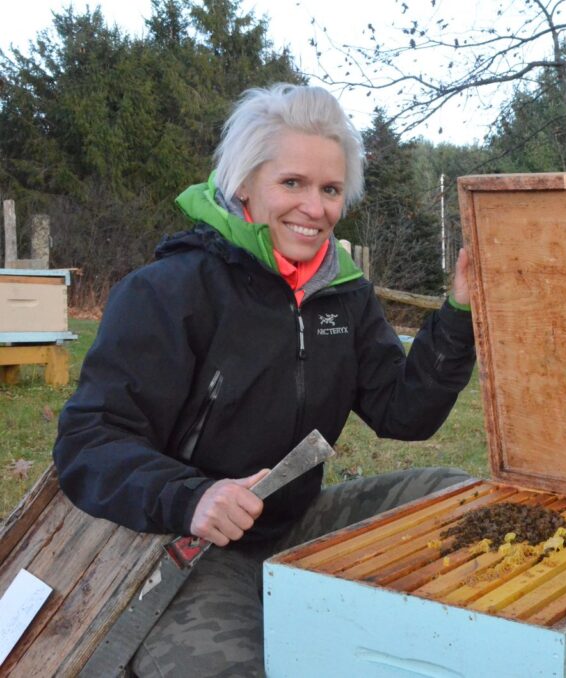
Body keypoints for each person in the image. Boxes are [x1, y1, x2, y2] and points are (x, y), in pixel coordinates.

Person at [52, 83, 477, 676]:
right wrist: (193, 497)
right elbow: (88, 440)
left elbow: (405, 413)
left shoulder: (343, 293)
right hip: (188, 550)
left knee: (462, 502)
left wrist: (457, 313)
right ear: (245, 183)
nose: (315, 207)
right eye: (293, 183)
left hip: (298, 524)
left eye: (330, 190)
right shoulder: (170, 291)